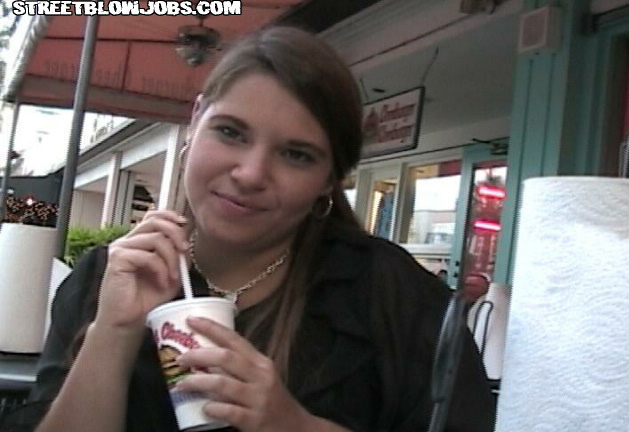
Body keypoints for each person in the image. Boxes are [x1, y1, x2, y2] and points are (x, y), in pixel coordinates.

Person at [18, 26, 495, 432]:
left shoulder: (390, 295)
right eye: (230, 132)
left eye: (296, 155)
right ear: (195, 121)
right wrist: (113, 333)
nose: (250, 174)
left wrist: (294, 425)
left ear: (328, 179)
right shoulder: (110, 276)